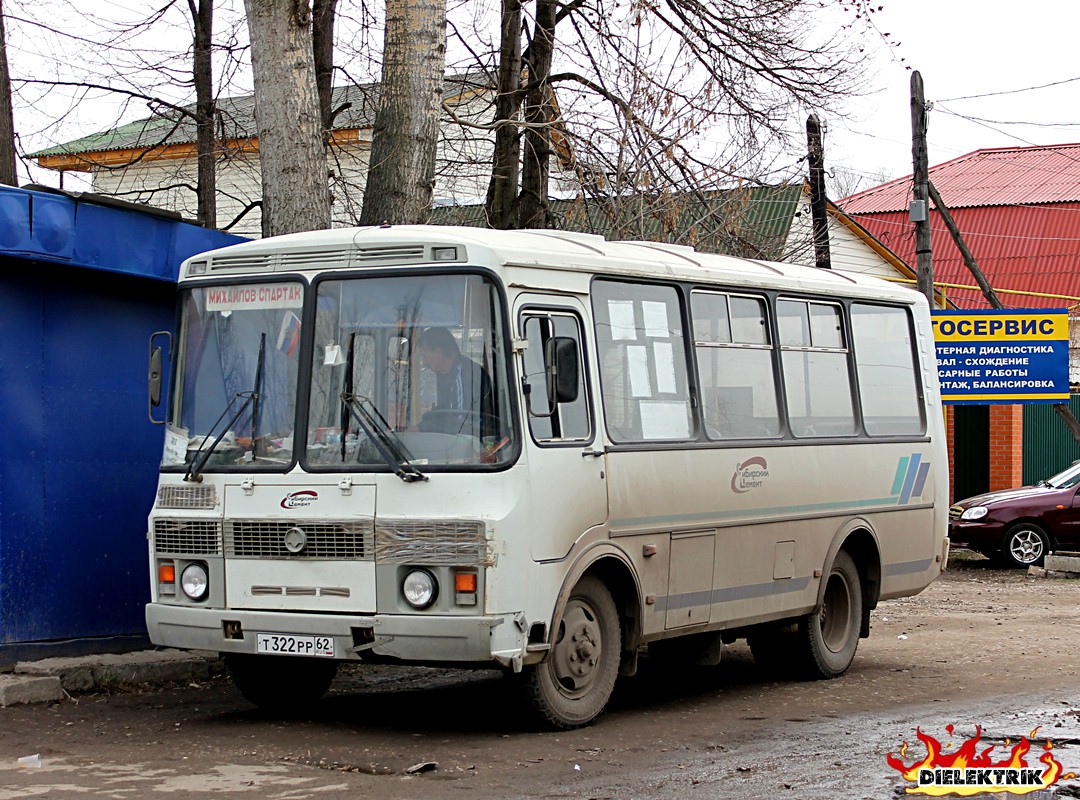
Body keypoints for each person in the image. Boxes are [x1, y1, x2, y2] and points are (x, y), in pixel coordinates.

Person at [416, 327, 495, 436]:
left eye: (424, 357)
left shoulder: (466, 374)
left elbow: (460, 422)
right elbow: (444, 413)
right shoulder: (445, 375)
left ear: (438, 352)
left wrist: (423, 428)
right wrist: (419, 427)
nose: (423, 363)